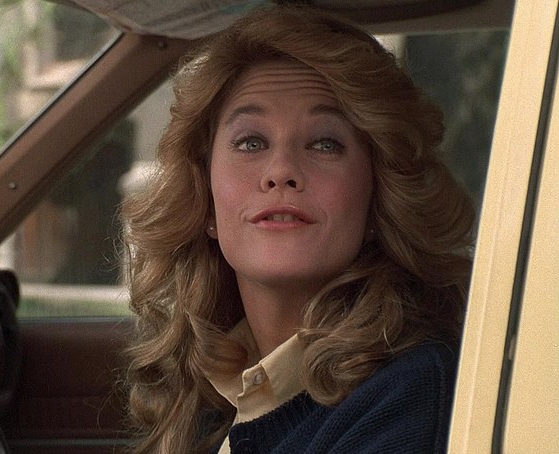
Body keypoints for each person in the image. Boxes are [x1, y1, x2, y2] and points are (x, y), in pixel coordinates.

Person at [121, 5, 475, 454]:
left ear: (380, 198)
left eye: (325, 144)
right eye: (251, 142)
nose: (282, 171)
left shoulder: (412, 395)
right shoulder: (208, 389)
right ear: (206, 202)